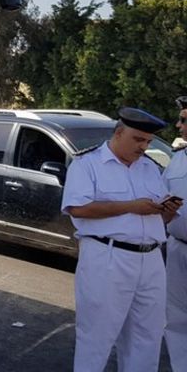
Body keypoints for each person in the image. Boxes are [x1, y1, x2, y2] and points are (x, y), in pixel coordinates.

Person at [61, 107, 182, 371]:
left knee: (146, 337)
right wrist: (131, 206)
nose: (143, 147)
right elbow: (77, 209)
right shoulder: (88, 164)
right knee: (97, 336)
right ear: (119, 133)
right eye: (138, 140)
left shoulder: (149, 168)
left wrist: (167, 213)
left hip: (150, 259)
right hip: (108, 257)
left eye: (148, 142)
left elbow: (156, 218)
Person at [165, 99, 187, 371]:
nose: (179, 125)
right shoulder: (178, 160)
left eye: (184, 120)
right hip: (178, 249)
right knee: (177, 317)